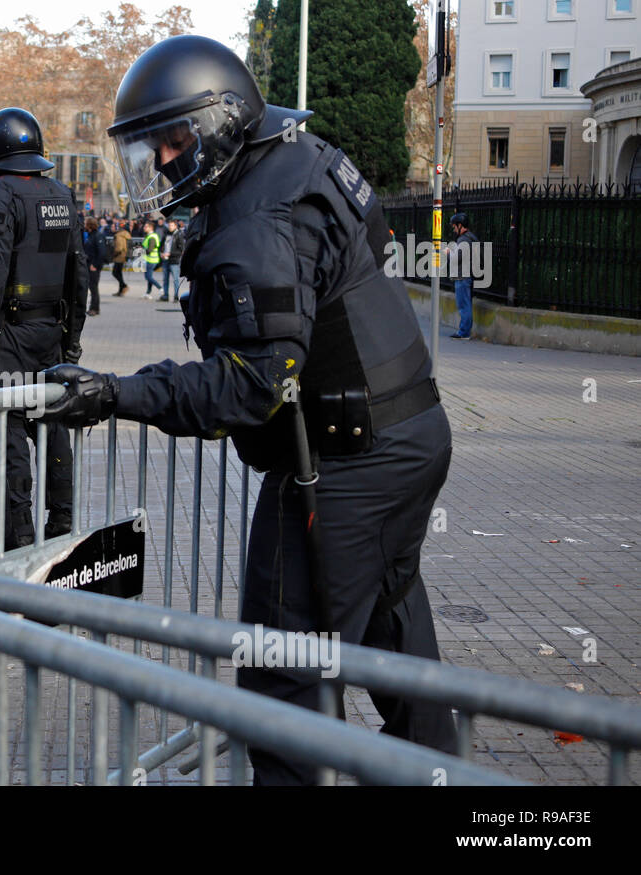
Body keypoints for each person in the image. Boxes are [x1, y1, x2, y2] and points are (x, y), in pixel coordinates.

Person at [41, 35, 458, 785]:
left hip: (341, 464)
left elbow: (252, 383)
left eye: (174, 140)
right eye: (152, 147)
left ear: (223, 123)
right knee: (396, 646)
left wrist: (115, 393)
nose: (164, 161)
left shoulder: (255, 223)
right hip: (409, 436)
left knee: (282, 679)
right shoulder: (303, 159)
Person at [0, 106, 87, 550]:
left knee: (8, 432)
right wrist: (72, 339)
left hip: (10, 337)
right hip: (50, 332)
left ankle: (19, 540)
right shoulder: (61, 194)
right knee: (52, 424)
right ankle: (62, 527)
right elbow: (79, 272)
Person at [448, 212, 478, 340]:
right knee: (466, 304)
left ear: (460, 225)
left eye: (454, 227)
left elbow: (456, 258)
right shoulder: (471, 237)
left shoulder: (464, 240)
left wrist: (449, 252)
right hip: (468, 275)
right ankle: (465, 330)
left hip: (463, 276)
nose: (454, 230)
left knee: (463, 305)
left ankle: (464, 332)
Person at [82, 216, 103, 316]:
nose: (84, 224)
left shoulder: (98, 236)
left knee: (93, 288)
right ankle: (93, 308)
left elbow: (101, 252)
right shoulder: (90, 235)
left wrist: (94, 264)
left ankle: (94, 308)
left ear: (89, 225)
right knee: (92, 287)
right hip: (89, 264)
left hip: (93, 266)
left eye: (85, 222)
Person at [160, 218, 183, 301]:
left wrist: (170, 254)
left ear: (175, 226)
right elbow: (161, 245)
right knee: (165, 279)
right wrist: (161, 253)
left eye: (172, 225)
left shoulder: (179, 235)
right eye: (169, 225)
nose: (170, 227)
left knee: (175, 279)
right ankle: (165, 296)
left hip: (174, 260)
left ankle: (176, 296)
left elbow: (181, 250)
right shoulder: (166, 234)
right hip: (165, 259)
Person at [140, 220, 162, 299]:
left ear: (151, 228)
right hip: (150, 259)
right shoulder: (150, 236)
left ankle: (160, 288)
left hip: (151, 260)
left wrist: (140, 251)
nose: (144, 228)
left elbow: (150, 250)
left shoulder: (152, 237)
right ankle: (148, 292)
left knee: (148, 277)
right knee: (149, 276)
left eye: (146, 226)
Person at [111, 221, 131, 296]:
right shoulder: (124, 234)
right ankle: (121, 290)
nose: (111, 228)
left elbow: (118, 248)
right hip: (123, 256)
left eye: (113, 227)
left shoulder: (118, 235)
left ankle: (124, 286)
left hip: (119, 257)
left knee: (115, 273)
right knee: (119, 273)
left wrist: (113, 254)